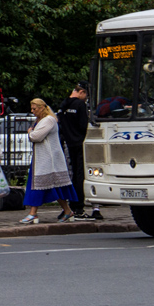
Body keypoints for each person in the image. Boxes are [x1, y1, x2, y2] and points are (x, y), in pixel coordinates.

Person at [20, 98, 77, 224]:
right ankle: (67, 211)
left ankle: (33, 213)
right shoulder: (41, 120)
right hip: (42, 158)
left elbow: (36, 136)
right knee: (52, 186)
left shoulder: (48, 120)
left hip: (48, 159)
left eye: (34, 109)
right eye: (32, 109)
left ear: (41, 108)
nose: (32, 111)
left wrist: (30, 132)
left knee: (39, 185)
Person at [57, 81, 97, 220]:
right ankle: (78, 208)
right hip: (79, 144)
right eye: (86, 96)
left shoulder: (63, 106)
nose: (86, 99)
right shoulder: (80, 105)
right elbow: (83, 125)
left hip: (67, 144)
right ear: (82, 92)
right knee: (80, 176)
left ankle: (69, 206)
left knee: (69, 175)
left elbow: (60, 126)